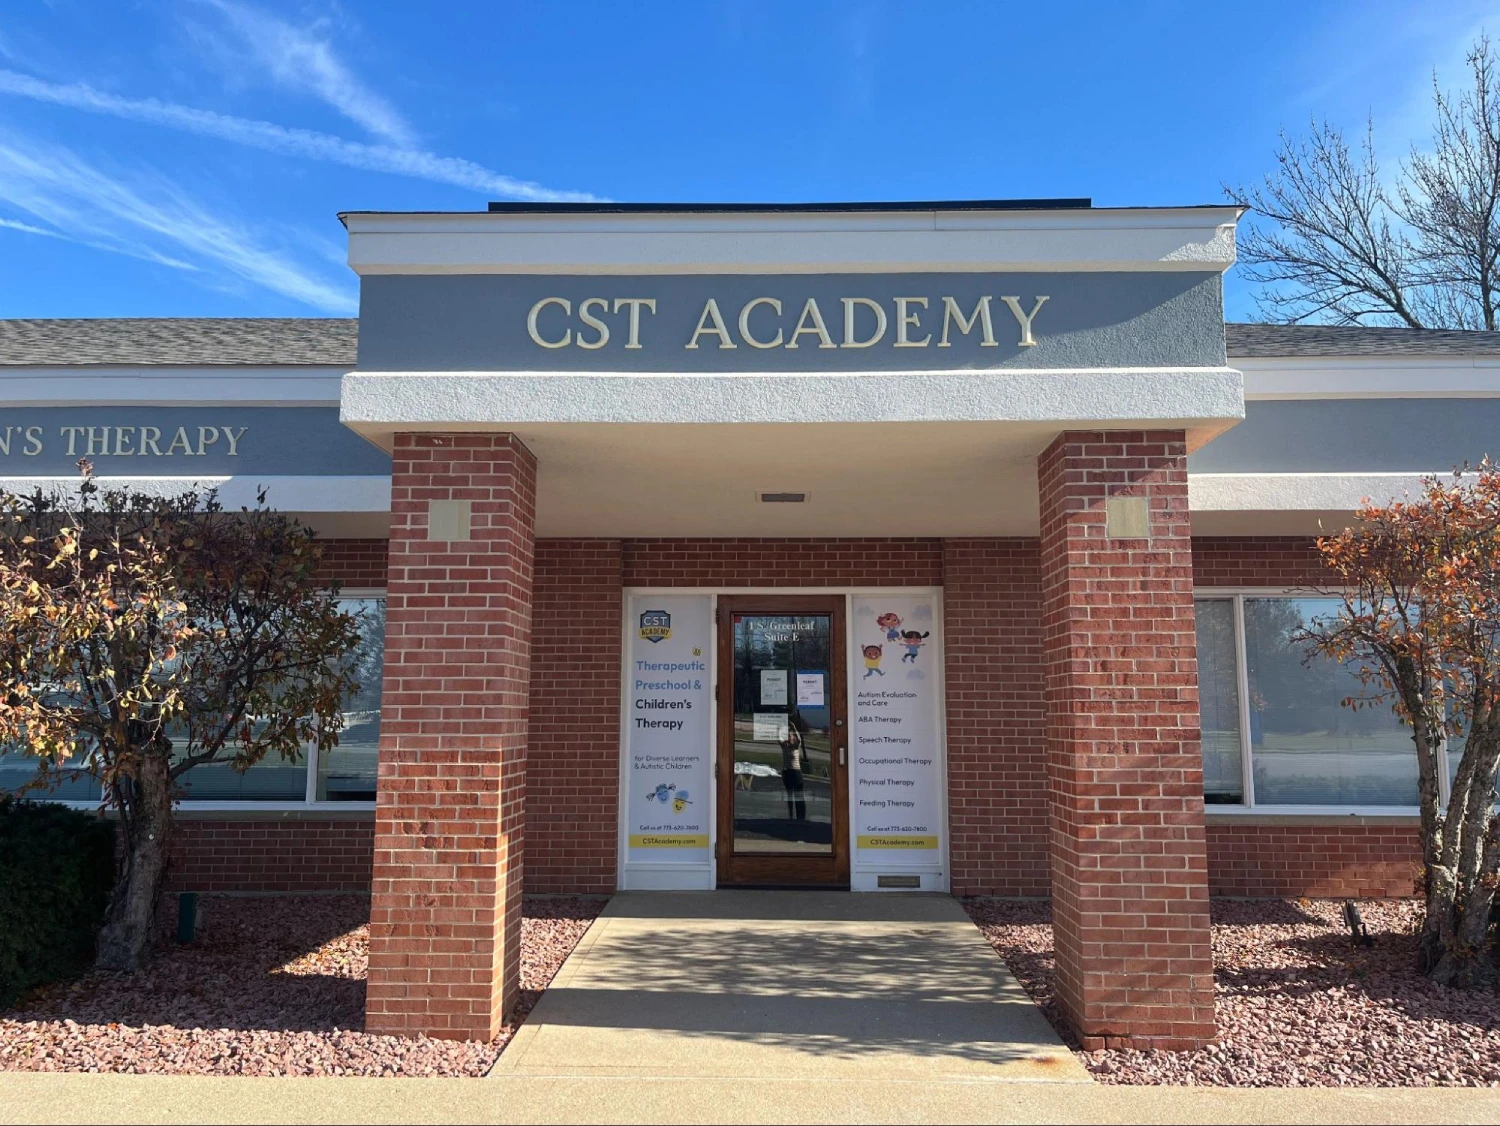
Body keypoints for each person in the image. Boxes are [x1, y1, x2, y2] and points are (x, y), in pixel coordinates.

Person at [779, 713, 807, 821]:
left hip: (796, 773)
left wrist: (794, 727)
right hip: (787, 772)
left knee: (799, 796)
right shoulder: (784, 747)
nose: (788, 737)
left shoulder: (795, 747)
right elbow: (779, 739)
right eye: (787, 735)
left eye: (790, 735)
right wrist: (782, 726)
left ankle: (801, 817)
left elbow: (799, 739)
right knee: (790, 795)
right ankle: (790, 816)